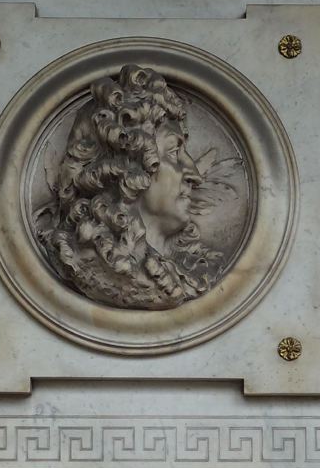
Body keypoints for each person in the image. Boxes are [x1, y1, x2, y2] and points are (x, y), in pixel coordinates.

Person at [35, 64, 234, 309]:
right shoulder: (89, 262)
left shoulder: (196, 267)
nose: (195, 175)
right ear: (126, 170)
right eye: (174, 152)